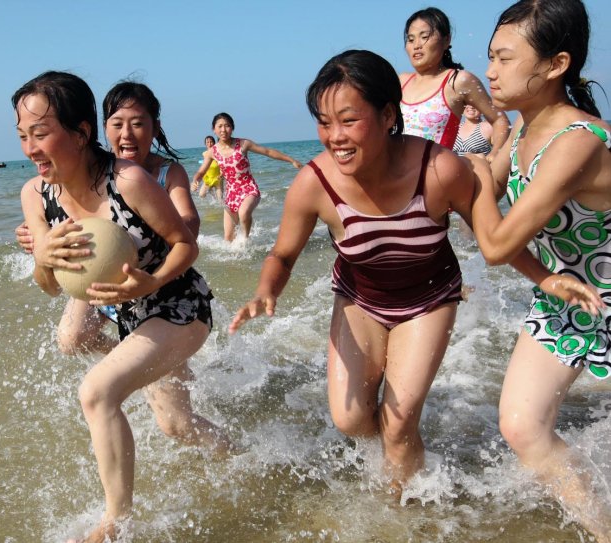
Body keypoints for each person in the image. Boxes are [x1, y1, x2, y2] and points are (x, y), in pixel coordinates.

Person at [228, 50, 601, 493]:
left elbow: (493, 237)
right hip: (359, 300)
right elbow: (283, 255)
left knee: (400, 420)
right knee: (350, 419)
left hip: (429, 299)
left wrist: (545, 277)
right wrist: (266, 290)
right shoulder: (315, 183)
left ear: (388, 115)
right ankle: (397, 458)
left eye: (348, 120)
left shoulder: (438, 170)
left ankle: (402, 505)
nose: (335, 137)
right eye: (324, 123)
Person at [14, 71, 231, 543]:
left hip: (177, 305)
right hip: (130, 318)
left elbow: (186, 244)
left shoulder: (129, 180)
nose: (30, 148)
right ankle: (241, 457)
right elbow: (50, 288)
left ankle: (115, 524)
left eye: (41, 133)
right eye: (23, 135)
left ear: (80, 132)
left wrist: (152, 280)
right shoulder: (36, 195)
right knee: (175, 425)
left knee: (97, 391)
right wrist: (43, 259)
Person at [467, 1, 611, 539]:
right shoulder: (523, 134)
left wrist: (476, 174)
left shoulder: (577, 142)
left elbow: (496, 241)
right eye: (490, 57)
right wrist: (545, 278)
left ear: (556, 64)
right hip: (570, 296)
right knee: (523, 426)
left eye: (505, 58)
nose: (491, 71)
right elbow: (478, 211)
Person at [15, 81, 203, 356]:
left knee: (154, 367)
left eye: (137, 124)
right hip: (103, 268)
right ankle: (123, 358)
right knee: (70, 340)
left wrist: (156, 225)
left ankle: (145, 362)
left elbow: (189, 225)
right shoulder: (82, 175)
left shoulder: (160, 173)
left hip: (153, 271)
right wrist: (39, 233)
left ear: (155, 127)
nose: (126, 134)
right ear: (103, 129)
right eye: (117, 124)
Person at [400, 7, 509, 162]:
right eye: (411, 39)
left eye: (424, 37)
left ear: (446, 40)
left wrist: (495, 155)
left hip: (435, 173)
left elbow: (500, 120)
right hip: (394, 174)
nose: (416, 45)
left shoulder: (458, 81)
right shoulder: (401, 81)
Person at [191, 113, 302, 242]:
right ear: (214, 129)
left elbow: (267, 152)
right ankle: (242, 246)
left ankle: (244, 241)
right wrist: (195, 180)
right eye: (219, 126)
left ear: (232, 128)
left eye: (227, 126)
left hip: (248, 188)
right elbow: (201, 171)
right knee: (228, 239)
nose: (223, 130)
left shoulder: (243, 144)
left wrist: (291, 160)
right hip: (231, 194)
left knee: (243, 213)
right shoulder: (212, 152)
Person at [195, 135, 223, 201]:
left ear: (214, 143)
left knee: (220, 200)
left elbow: (222, 165)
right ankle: (212, 197)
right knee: (201, 195)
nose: (209, 144)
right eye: (207, 142)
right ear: (205, 144)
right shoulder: (204, 154)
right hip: (208, 179)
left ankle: (215, 198)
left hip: (218, 179)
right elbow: (203, 167)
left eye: (211, 142)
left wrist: (221, 174)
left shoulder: (218, 153)